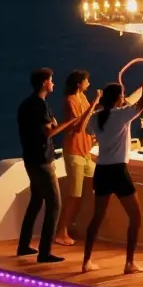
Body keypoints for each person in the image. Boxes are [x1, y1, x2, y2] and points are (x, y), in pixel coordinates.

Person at [81, 63, 143, 274]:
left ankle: (86, 261)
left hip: (102, 171)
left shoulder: (97, 117)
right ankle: (129, 263)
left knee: (96, 217)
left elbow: (89, 130)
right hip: (118, 171)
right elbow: (142, 105)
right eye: (122, 95)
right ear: (118, 98)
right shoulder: (120, 115)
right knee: (135, 217)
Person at [16, 68, 84, 263]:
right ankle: (45, 252)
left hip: (30, 158)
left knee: (36, 201)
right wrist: (69, 122)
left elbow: (47, 127)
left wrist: (57, 125)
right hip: (42, 160)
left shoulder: (27, 104)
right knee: (54, 204)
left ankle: (23, 245)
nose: (54, 84)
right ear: (45, 83)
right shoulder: (39, 106)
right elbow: (49, 132)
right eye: (51, 81)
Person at [54, 70, 97, 247]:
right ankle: (60, 232)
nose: (89, 84)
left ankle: (73, 225)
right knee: (74, 195)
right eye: (86, 81)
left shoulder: (83, 99)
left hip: (86, 151)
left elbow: (89, 121)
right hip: (74, 151)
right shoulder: (71, 100)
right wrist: (94, 103)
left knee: (87, 191)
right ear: (79, 83)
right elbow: (79, 125)